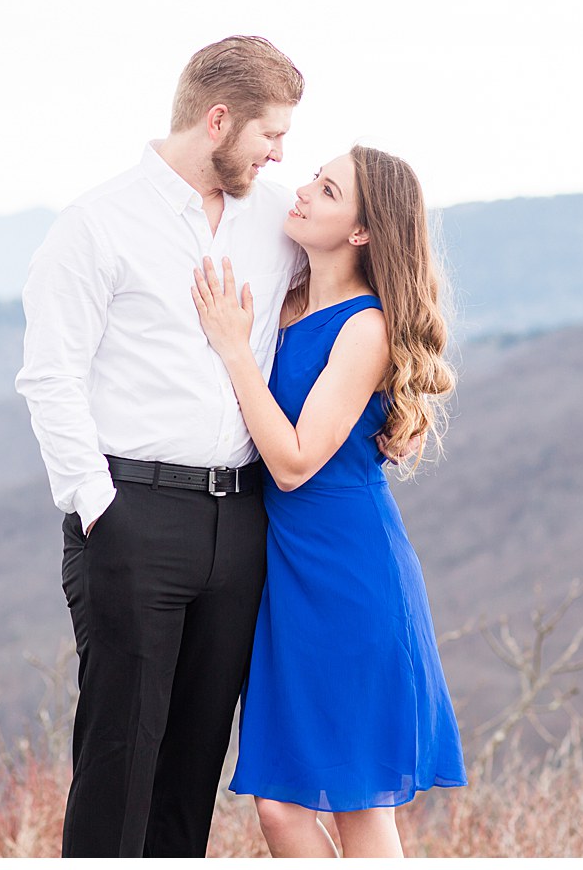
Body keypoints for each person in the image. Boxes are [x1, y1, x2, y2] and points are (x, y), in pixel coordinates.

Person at [14, 36, 305, 858]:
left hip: (244, 519)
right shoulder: (97, 225)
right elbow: (51, 377)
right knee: (120, 757)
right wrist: (101, 508)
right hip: (132, 512)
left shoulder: (276, 221)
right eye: (269, 133)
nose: (280, 151)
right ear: (218, 120)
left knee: (194, 763)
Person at [189, 144, 467, 858]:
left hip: (349, 576)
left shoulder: (365, 328)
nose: (303, 192)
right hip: (284, 581)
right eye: (313, 177)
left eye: (328, 189)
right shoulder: (285, 301)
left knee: (358, 805)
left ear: (362, 232)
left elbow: (292, 463)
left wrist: (233, 349)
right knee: (280, 810)